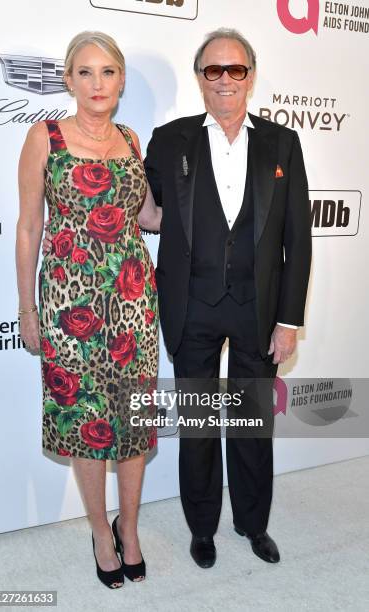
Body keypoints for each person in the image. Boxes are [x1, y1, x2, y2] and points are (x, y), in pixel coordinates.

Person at [144, 28, 312, 568]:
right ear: (200, 78)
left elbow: (297, 240)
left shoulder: (282, 143)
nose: (224, 80)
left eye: (234, 70)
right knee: (196, 427)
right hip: (191, 307)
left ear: (250, 76)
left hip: (257, 310)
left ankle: (251, 522)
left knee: (249, 424)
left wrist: (288, 321)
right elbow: (146, 210)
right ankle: (201, 529)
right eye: (213, 70)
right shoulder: (169, 140)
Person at [16, 31, 161, 589]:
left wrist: (212, 210)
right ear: (68, 80)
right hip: (68, 302)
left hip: (131, 302)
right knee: (86, 422)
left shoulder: (131, 138)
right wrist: (27, 310)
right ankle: (101, 531)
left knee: (131, 420)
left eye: (107, 73)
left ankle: (131, 528)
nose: (97, 84)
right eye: (85, 72)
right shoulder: (45, 138)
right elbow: (29, 227)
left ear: (121, 80)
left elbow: (148, 217)